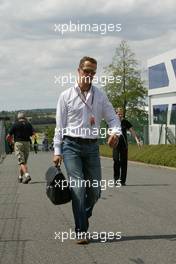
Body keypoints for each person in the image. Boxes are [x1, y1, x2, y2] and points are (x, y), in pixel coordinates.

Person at [53, 56, 121, 244]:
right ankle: (81, 230)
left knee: (95, 190)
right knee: (78, 185)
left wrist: (114, 132)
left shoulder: (100, 96)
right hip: (71, 146)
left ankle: (83, 213)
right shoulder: (65, 96)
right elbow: (59, 126)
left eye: (93, 72)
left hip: (91, 147)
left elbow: (113, 119)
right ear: (79, 71)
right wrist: (57, 150)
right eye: (86, 71)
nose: (89, 75)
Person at [113, 107, 142, 186]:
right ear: (116, 114)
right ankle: (116, 179)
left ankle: (122, 181)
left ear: (123, 114)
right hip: (115, 144)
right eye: (118, 114)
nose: (119, 115)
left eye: (121, 114)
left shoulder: (125, 122)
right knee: (116, 161)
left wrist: (137, 140)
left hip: (124, 145)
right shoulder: (113, 122)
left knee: (123, 162)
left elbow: (132, 131)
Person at [6, 112, 35, 183]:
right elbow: (33, 134)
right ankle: (20, 177)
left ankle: (27, 175)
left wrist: (11, 142)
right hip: (27, 144)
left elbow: (8, 137)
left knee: (21, 162)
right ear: (24, 118)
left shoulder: (15, 125)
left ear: (18, 118)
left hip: (18, 143)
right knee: (23, 162)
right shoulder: (29, 125)